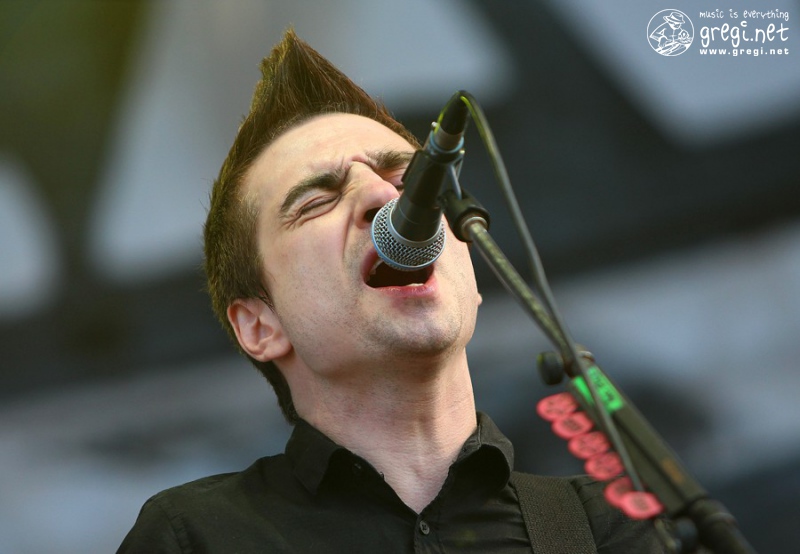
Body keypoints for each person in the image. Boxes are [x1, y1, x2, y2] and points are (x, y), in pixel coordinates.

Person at [118, 29, 665, 553]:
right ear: (261, 325)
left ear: (469, 268)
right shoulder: (196, 538)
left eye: (407, 181)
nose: (384, 197)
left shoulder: (610, 531)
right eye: (317, 202)